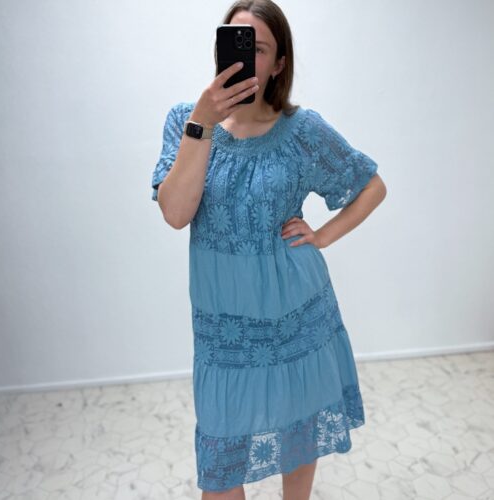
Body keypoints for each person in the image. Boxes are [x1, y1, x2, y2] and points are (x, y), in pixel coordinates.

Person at [151, 1, 387, 498]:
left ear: (279, 63)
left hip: (294, 307)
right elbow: (175, 213)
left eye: (258, 48)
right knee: (220, 466)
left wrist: (322, 235)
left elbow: (371, 186)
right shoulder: (185, 121)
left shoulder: (302, 131)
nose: (244, 57)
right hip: (224, 320)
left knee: (299, 430)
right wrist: (202, 122)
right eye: (234, 42)